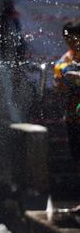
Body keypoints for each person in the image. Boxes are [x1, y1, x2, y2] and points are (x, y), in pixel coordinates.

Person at [53, 21, 80, 170]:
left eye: (73, 39)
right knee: (76, 154)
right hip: (73, 115)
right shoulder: (65, 60)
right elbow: (58, 87)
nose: (69, 42)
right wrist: (61, 84)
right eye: (67, 39)